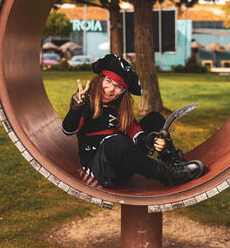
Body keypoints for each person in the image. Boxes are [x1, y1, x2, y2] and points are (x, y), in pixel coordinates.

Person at [62, 54, 204, 188]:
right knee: (115, 141)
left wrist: (151, 140)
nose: (111, 89)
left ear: (124, 92)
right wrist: (76, 107)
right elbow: (68, 129)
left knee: (155, 118)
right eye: (108, 81)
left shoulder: (120, 107)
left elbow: (136, 135)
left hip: (124, 162)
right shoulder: (85, 101)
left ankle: (173, 161)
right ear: (100, 79)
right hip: (101, 169)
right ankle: (167, 175)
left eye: (118, 87)